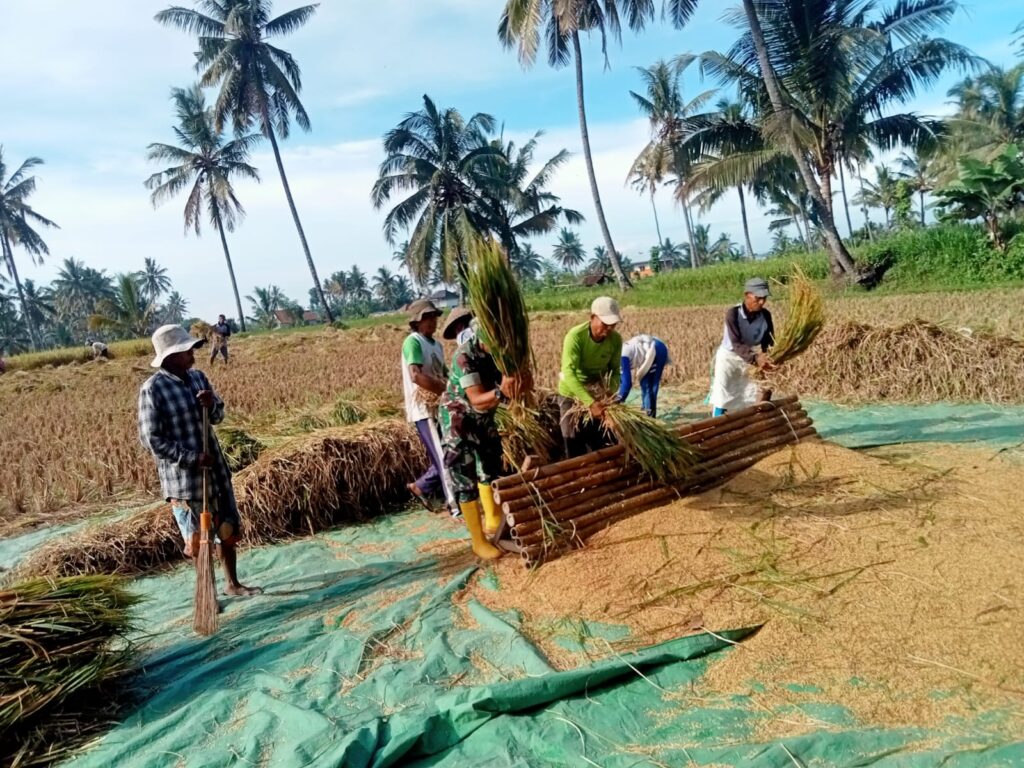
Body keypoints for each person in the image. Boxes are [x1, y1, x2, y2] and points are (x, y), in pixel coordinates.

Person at [138, 324, 260, 598]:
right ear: (170, 357)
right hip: (185, 483)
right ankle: (207, 595)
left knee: (227, 531)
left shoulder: (198, 378)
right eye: (186, 350)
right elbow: (151, 439)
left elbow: (218, 417)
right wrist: (191, 458)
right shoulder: (153, 390)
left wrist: (211, 404)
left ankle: (233, 584)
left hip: (216, 473)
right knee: (199, 540)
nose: (193, 354)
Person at [440, 320, 519, 559]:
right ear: (482, 338)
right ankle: (478, 541)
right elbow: (475, 399)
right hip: (459, 422)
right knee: (464, 478)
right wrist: (501, 392)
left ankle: (493, 520)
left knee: (490, 467)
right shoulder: (465, 357)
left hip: (483, 418)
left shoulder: (499, 355)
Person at [402, 299, 458, 515]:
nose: (434, 321)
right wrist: (444, 392)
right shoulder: (413, 342)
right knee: (443, 457)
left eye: (435, 317)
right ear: (418, 321)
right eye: (429, 318)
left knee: (448, 452)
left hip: (440, 406)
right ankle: (454, 505)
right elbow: (415, 375)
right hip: (425, 408)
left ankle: (421, 486)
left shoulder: (437, 345)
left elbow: (444, 374)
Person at [558, 296, 623, 458]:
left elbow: (615, 371)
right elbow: (569, 373)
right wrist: (590, 403)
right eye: (604, 323)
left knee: (605, 440)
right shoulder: (575, 337)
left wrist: (609, 393)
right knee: (572, 441)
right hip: (572, 393)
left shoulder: (615, 340)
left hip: (598, 392)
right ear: (592, 317)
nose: (608, 328)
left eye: (612, 325)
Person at [709, 277, 776, 417]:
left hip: (749, 358)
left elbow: (769, 341)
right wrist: (756, 358)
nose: (762, 302)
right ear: (747, 295)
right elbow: (736, 343)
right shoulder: (733, 314)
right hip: (729, 358)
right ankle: (716, 427)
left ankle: (752, 423)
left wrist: (771, 356)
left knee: (752, 392)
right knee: (723, 396)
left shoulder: (765, 316)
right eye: (758, 298)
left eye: (764, 298)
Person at [618, 334, 671, 417]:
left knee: (648, 385)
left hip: (656, 350)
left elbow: (627, 384)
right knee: (645, 383)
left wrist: (618, 400)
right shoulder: (615, 358)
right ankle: (645, 411)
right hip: (647, 350)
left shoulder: (621, 356)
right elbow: (620, 380)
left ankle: (649, 417)